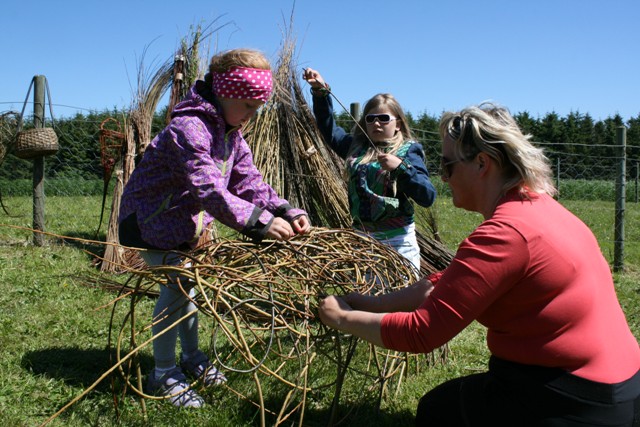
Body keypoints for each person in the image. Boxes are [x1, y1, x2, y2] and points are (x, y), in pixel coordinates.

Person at [318, 102, 640, 426]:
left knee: (437, 412)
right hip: (619, 383)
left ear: (482, 164)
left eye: (447, 166)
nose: (443, 179)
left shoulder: (505, 234)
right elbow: (444, 284)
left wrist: (342, 318)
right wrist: (370, 303)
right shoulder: (540, 208)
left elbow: (422, 333)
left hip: (575, 397)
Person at [118, 48, 311, 408]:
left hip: (183, 225)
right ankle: (162, 372)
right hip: (151, 221)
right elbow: (209, 188)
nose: (252, 116)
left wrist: (284, 209)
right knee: (177, 289)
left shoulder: (231, 134)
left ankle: (191, 358)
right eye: (249, 107)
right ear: (225, 94)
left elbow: (247, 180)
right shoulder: (189, 128)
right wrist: (260, 222)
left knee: (191, 288)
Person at [302, 68, 436, 273]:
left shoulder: (408, 151)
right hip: (363, 239)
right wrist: (321, 92)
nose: (376, 123)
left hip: (398, 241)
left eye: (383, 118)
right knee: (370, 299)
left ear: (398, 124)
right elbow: (328, 128)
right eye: (370, 118)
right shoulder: (355, 147)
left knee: (400, 298)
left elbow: (427, 196)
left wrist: (400, 168)